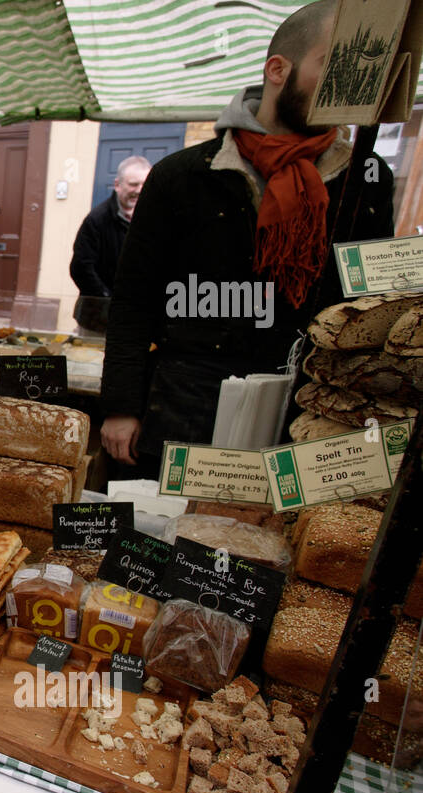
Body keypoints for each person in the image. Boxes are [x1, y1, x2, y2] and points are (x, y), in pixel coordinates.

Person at [99, 0, 395, 479]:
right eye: (332, 65)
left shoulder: (367, 178)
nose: (348, 86)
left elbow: (369, 304)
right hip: (185, 405)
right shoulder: (183, 175)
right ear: (278, 69)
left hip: (306, 414)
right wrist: (121, 405)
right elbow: (134, 299)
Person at [68, 155, 150, 334]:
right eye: (133, 184)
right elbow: (81, 268)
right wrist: (108, 301)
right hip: (97, 321)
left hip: (138, 320)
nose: (139, 190)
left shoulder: (154, 219)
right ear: (117, 184)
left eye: (144, 184)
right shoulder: (96, 220)